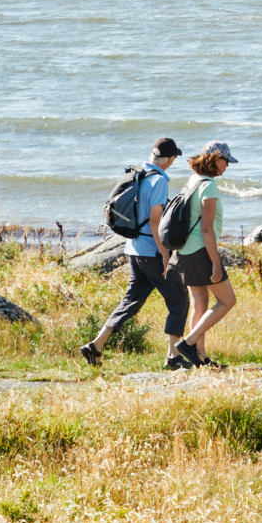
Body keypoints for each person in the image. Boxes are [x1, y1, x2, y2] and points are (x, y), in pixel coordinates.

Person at [81, 136, 184, 367]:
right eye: (175, 156)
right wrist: (165, 254)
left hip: (133, 248)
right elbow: (156, 222)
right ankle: (173, 357)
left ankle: (96, 345)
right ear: (169, 159)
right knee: (179, 299)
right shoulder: (158, 181)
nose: (175, 160)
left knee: (132, 300)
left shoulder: (139, 175)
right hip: (151, 251)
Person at [165, 140, 238, 370]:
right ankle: (188, 343)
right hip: (200, 251)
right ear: (216, 159)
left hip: (184, 250)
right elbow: (207, 229)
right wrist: (216, 263)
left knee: (200, 303)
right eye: (226, 161)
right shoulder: (209, 186)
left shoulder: (193, 181)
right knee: (227, 300)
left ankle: (200, 356)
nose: (227, 166)